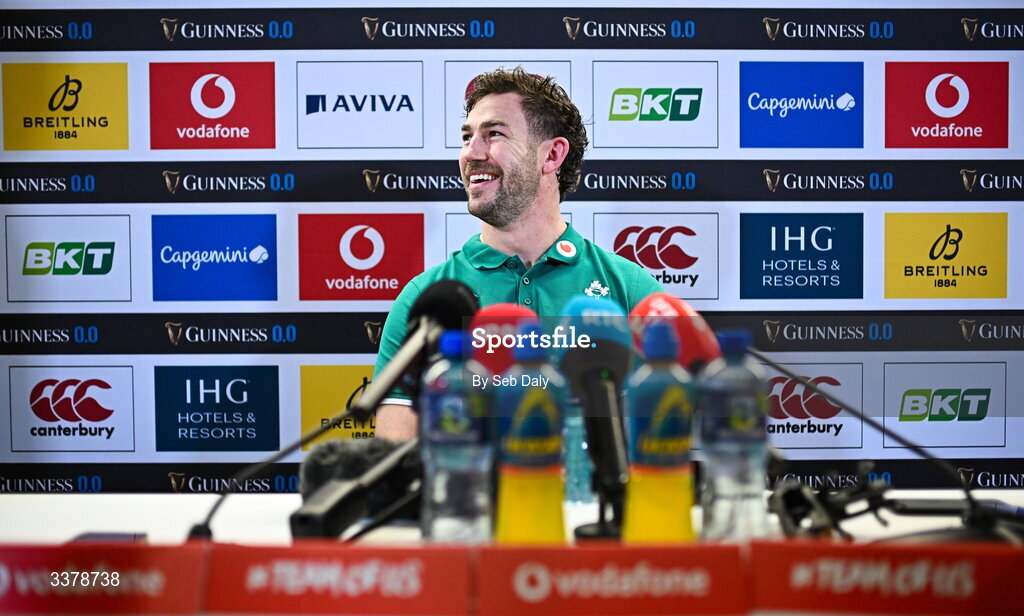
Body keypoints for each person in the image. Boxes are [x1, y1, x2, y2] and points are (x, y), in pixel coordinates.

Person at [373, 67, 662, 439]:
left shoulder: (631, 290)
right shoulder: (428, 300)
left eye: (493, 134)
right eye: (467, 136)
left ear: (552, 155)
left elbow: (661, 442)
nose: (470, 153)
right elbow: (396, 457)